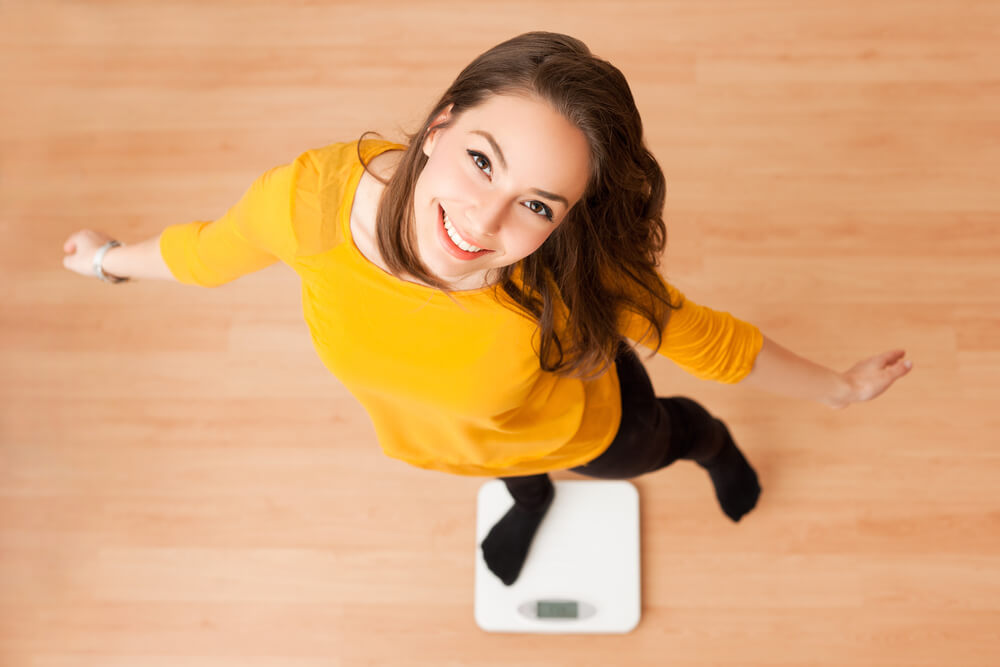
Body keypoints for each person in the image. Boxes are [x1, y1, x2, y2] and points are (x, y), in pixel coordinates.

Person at [61, 31, 914, 587]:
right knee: (503, 461)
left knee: (665, 438)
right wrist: (107, 262)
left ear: (567, 218)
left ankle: (710, 445)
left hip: (588, 423)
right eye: (481, 160)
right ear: (438, 126)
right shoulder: (308, 203)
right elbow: (206, 254)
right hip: (454, 441)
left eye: (539, 205)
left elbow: (712, 341)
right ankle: (529, 497)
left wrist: (841, 388)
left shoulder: (578, 280)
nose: (483, 221)